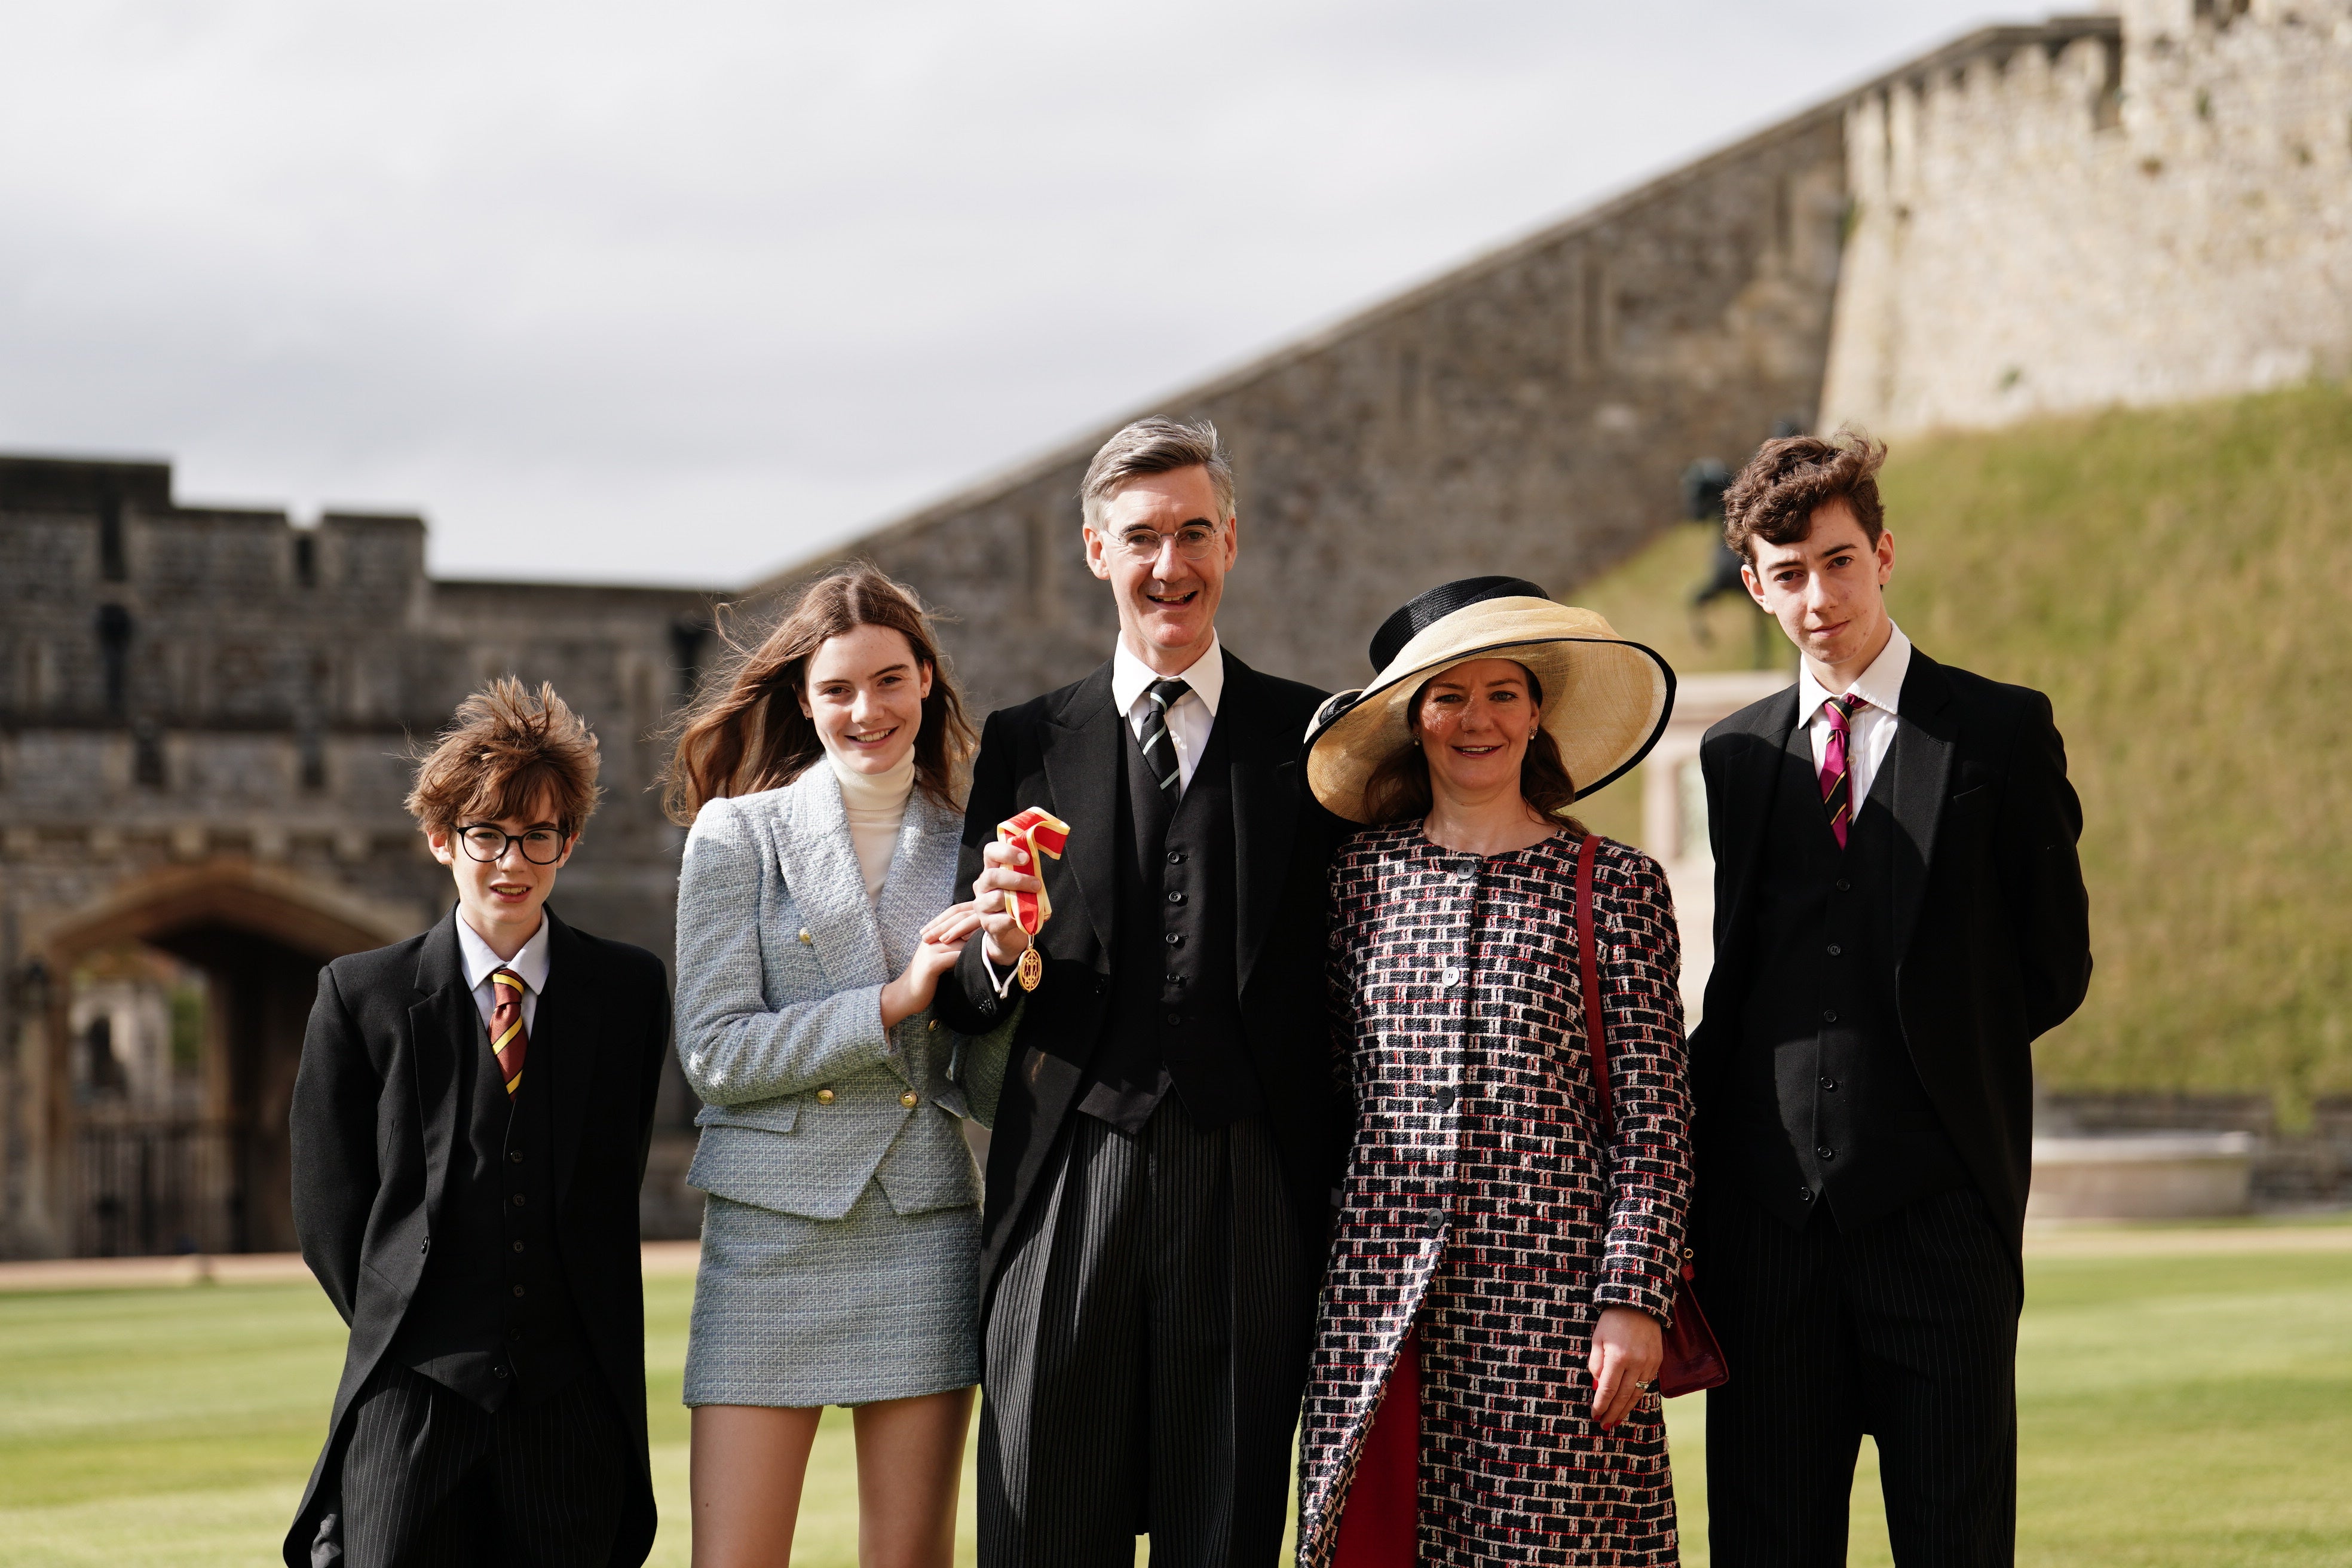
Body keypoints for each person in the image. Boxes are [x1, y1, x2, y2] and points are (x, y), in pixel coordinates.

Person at [927, 416, 1348, 1566]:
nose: (1173, 565)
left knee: (1225, 1524)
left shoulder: (1315, 740)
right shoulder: (1025, 741)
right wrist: (1001, 944)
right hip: (1068, 1171)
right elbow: (968, 1001)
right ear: (1094, 550)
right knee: (1042, 1517)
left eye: (1196, 534)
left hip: (1252, 1181)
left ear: (1233, 542)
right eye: (1144, 538)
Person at [1693, 428, 2091, 1565]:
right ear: (1758, 589)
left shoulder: (2002, 733)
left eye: (1837, 561)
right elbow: (1748, 977)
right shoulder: (1737, 757)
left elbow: (2054, 965)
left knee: (1956, 1544)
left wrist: (1928, 1092)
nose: (1818, 597)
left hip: (1940, 1228)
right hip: (1768, 1238)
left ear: (1883, 553)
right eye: (1788, 574)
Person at [1293, 577, 1691, 1567]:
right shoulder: (1357, 880)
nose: (1478, 719)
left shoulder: (1615, 884)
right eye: (1449, 696)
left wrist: (1635, 1295)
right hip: (1380, 1316)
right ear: (1412, 721)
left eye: (1503, 693)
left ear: (1537, 713)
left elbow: (1655, 1120)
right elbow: (1332, 1097)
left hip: (1555, 1317)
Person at [284, 678, 672, 1568]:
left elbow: (606, 1189)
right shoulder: (361, 995)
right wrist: (414, 1319)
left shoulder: (627, 991)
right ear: (440, 839)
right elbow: (327, 1209)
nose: (511, 862)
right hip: (411, 1398)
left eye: (538, 835)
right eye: (487, 835)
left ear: (568, 842)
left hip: (572, 1407)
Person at [663, 566, 986, 1568]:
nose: (866, 710)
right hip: (769, 1233)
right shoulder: (736, 833)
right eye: (838, 688)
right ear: (803, 698)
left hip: (923, 1227)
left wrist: (1012, 971)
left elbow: (980, 1078)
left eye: (889, 681)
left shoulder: (978, 842)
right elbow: (714, 1053)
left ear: (926, 680)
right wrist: (890, 1003)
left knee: (910, 1559)